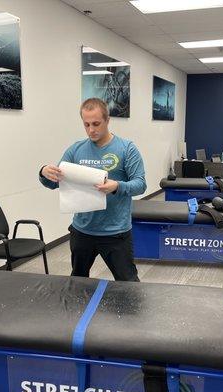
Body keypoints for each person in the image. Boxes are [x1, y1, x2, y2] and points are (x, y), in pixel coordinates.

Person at [39, 98, 146, 281]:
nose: (91, 130)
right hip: (82, 231)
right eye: (86, 124)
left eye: (96, 124)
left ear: (107, 120)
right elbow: (54, 183)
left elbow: (140, 184)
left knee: (128, 283)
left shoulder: (127, 149)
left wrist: (117, 186)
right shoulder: (76, 150)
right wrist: (43, 172)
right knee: (78, 281)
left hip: (115, 232)